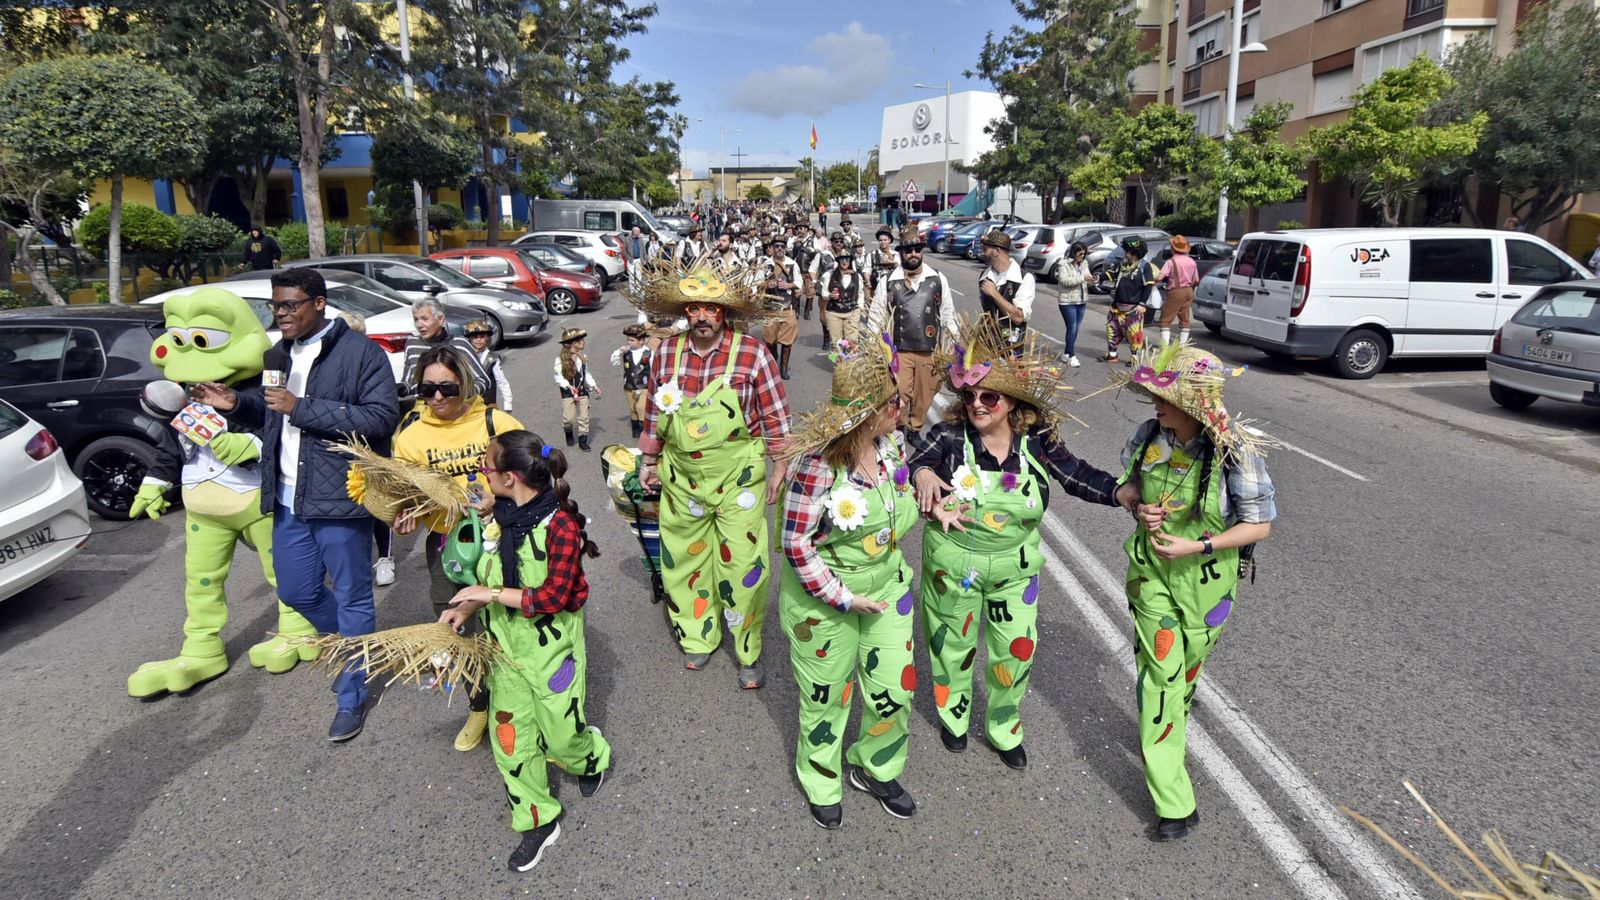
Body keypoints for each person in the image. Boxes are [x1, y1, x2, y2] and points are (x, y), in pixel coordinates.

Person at [911, 315, 1139, 768]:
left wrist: (1119, 492)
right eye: (970, 395)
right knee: (949, 647)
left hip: (1015, 569)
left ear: (1012, 400)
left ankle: (1002, 725)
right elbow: (914, 460)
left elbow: (1074, 474)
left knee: (1015, 649)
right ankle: (954, 718)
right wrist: (921, 473)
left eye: (989, 395)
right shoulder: (950, 437)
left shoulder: (1035, 441)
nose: (977, 404)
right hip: (953, 565)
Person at [192, 267, 400, 741]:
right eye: (275, 306)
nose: (280, 314)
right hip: (287, 499)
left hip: (340, 499)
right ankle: (360, 650)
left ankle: (353, 690)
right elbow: (271, 413)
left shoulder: (362, 354)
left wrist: (301, 407)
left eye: (290, 305)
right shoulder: (275, 354)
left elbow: (382, 419)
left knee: (353, 597)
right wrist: (236, 405)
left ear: (319, 304)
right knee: (297, 592)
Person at [1111, 340, 1277, 841]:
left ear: (1196, 402)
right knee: (1161, 680)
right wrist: (1135, 504)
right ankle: (1175, 801)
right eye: (1156, 397)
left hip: (1208, 585)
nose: (1156, 405)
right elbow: (1126, 486)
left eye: (1166, 398)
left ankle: (1175, 711)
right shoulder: (1148, 435)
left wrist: (1198, 545)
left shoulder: (1235, 452)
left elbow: (1259, 526)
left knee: (1184, 673)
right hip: (1152, 578)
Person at [126, 287, 320, 697]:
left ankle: (299, 627)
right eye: (179, 340)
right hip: (202, 507)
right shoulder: (184, 398)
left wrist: (249, 447)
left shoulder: (260, 387)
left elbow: (285, 434)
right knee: (200, 581)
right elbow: (170, 445)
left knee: (281, 570)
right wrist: (154, 483)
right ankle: (201, 648)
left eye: (200, 341)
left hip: (256, 500)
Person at [441, 429, 613, 872]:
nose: (483, 474)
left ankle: (589, 755)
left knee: (562, 735)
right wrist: (466, 607)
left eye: (488, 468)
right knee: (510, 740)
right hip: (504, 650)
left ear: (512, 477)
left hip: (553, 650)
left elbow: (550, 598)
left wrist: (488, 592)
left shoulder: (561, 526)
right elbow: (492, 578)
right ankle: (537, 819)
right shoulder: (497, 517)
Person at [779, 333, 919, 829]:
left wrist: (932, 499)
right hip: (826, 602)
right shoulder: (818, 465)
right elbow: (796, 544)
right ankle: (821, 778)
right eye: (894, 401)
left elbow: (896, 505)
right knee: (825, 696)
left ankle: (875, 765)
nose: (903, 407)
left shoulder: (891, 446)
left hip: (887, 590)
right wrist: (842, 597)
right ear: (871, 411)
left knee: (894, 690)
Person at [634, 262, 790, 687]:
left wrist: (780, 467)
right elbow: (652, 413)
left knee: (743, 566)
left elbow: (776, 417)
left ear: (725, 314)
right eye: (695, 308)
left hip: (738, 476)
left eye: (712, 309)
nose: (702, 316)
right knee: (684, 561)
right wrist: (649, 461)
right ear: (686, 312)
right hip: (682, 477)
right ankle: (698, 638)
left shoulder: (752, 353)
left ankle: (747, 649)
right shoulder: (666, 353)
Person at [391, 346, 523, 750]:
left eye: (446, 388)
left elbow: (539, 473)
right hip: (450, 546)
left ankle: (525, 702)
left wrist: (498, 502)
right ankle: (479, 706)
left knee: (517, 621)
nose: (437, 398)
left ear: (464, 383)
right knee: (458, 628)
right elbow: (402, 497)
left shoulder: (495, 422)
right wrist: (401, 516)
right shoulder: (410, 437)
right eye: (427, 388)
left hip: (506, 535)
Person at [863, 225, 956, 432]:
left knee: (924, 396)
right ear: (901, 253)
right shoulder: (888, 281)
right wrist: (873, 347)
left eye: (917, 249)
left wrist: (951, 346)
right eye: (908, 250)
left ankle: (915, 427)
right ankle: (900, 427)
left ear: (921, 251)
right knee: (899, 394)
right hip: (900, 350)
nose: (913, 254)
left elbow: (948, 313)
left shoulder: (938, 279)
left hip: (929, 351)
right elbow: (877, 315)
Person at [401, 296, 488, 400]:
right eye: (416, 319)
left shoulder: (459, 344)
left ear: (441, 319)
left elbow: (483, 380)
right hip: (423, 411)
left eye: (425, 319)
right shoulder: (412, 344)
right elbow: (407, 382)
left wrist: (463, 396)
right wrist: (399, 389)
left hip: (454, 411)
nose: (419, 324)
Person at [976, 230, 1036, 352]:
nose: (983, 253)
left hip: (1010, 347)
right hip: (985, 345)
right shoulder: (984, 276)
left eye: (986, 249)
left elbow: (1018, 317)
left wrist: (994, 293)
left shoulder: (1024, 278)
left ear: (997, 251)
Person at [1100, 237, 1154, 365]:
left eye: (1127, 252)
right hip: (1116, 307)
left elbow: (1148, 285)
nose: (1125, 254)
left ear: (1135, 254)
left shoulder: (1145, 267)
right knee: (1111, 331)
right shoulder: (1122, 265)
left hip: (1133, 309)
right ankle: (1112, 355)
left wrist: (1142, 304)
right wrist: (1097, 277)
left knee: (1134, 334)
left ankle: (1134, 358)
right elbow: (1112, 274)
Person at [761, 236, 804, 380]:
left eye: (782, 246)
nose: (780, 248)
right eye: (777, 246)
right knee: (770, 339)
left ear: (785, 248)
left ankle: (783, 368)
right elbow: (754, 283)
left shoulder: (792, 264)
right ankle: (773, 364)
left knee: (788, 340)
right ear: (771, 248)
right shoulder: (764, 264)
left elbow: (799, 282)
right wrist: (767, 285)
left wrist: (788, 285)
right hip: (770, 308)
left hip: (787, 307)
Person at [554, 328, 601, 452]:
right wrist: (568, 386)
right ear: (574, 343)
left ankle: (583, 441)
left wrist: (594, 385)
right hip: (568, 393)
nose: (583, 342)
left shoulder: (582, 357)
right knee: (569, 419)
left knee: (583, 417)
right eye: (581, 340)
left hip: (582, 391)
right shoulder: (560, 360)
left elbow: (586, 373)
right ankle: (568, 431)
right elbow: (558, 377)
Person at [817, 247, 864, 352]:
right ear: (838, 261)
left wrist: (859, 308)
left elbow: (861, 293)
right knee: (836, 344)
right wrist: (830, 295)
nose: (844, 262)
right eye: (842, 259)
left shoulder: (857, 276)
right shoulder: (830, 274)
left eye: (846, 259)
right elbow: (823, 292)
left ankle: (850, 367)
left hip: (852, 312)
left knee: (851, 343)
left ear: (850, 261)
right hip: (834, 312)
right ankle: (839, 367)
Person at [610, 323, 652, 438]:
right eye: (628, 340)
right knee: (633, 408)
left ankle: (643, 430)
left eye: (632, 340)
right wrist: (619, 351)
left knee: (641, 408)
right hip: (629, 386)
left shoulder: (649, 353)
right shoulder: (626, 353)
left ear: (641, 340)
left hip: (643, 386)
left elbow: (654, 369)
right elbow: (614, 362)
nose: (629, 342)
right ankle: (635, 428)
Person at [1157, 236, 1200, 347]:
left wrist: (1153, 280)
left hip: (1176, 291)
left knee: (1165, 319)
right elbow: (1196, 280)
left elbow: (1160, 277)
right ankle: (1182, 346)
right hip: (1189, 291)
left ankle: (1165, 347)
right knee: (1185, 319)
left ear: (1173, 248)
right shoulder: (1192, 261)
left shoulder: (1171, 261)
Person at [464, 318, 513, 412]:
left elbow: (502, 382)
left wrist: (508, 405)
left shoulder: (492, 359)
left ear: (487, 338)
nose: (478, 340)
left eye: (482, 336)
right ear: (469, 339)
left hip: (489, 405)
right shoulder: (465, 356)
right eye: (474, 337)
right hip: (470, 405)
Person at [1056, 241, 1091, 367]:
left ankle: (1066, 353)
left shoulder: (1084, 263)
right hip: (1067, 301)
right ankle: (1071, 355)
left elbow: (1087, 277)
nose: (1082, 257)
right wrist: (1083, 278)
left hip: (1081, 300)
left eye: (1084, 254)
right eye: (1080, 254)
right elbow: (1065, 281)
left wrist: (1092, 280)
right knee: (1072, 328)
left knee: (1076, 328)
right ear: (1074, 253)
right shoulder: (1063, 264)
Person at [867, 227, 897, 296]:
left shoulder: (896, 254)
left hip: (892, 289)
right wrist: (868, 281)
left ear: (889, 240)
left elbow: (900, 268)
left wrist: (891, 261)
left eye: (885, 240)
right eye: (880, 240)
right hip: (876, 289)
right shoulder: (871, 254)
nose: (882, 242)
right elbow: (866, 270)